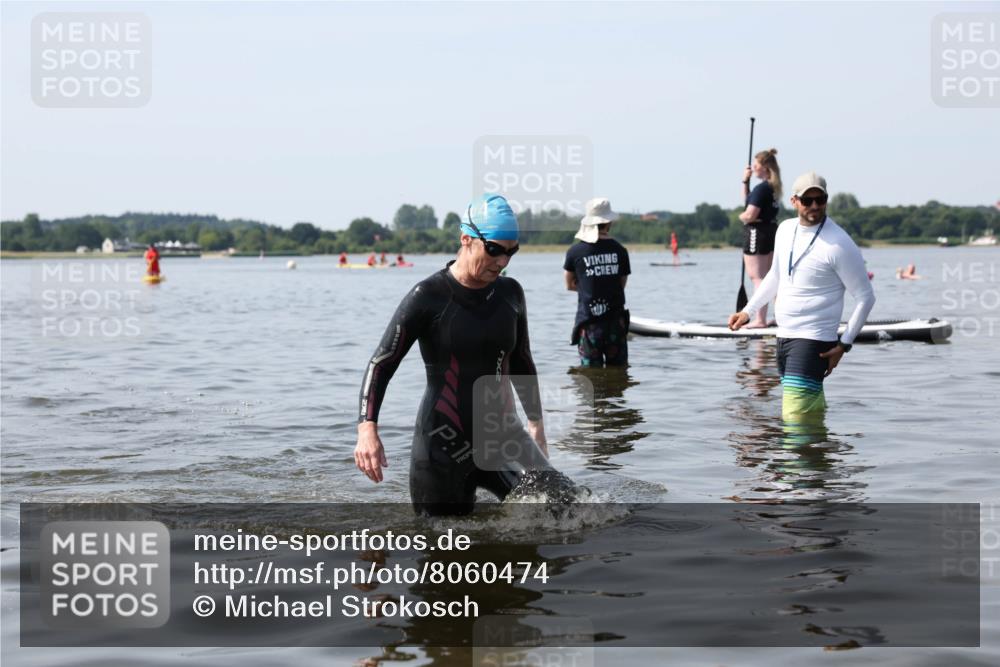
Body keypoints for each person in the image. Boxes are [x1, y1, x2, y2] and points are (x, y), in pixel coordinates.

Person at [355, 194, 559, 516]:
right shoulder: (429, 296)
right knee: (445, 548)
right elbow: (382, 362)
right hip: (442, 446)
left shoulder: (511, 294)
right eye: (494, 250)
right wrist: (367, 429)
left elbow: (521, 359)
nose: (503, 261)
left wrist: (536, 424)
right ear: (466, 238)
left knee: (567, 507)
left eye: (511, 252)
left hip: (504, 436)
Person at [728, 172, 876, 419]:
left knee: (795, 424)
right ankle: (821, 453)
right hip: (784, 337)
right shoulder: (785, 230)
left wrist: (844, 345)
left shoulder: (839, 243)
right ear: (794, 201)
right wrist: (747, 312)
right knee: (808, 416)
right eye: (808, 201)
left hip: (812, 340)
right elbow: (775, 277)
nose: (815, 206)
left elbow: (866, 297)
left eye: (821, 199)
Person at [563, 198, 631, 367]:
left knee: (589, 375)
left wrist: (589, 288)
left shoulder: (575, 251)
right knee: (619, 371)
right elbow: (621, 284)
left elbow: (569, 284)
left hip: (589, 323)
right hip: (616, 322)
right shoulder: (620, 250)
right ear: (608, 223)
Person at [739, 148, 783, 328]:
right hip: (771, 230)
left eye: (755, 165)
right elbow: (749, 200)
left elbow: (750, 213)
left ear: (764, 167)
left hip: (757, 232)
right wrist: (745, 181)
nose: (753, 168)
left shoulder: (761, 188)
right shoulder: (772, 187)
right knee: (772, 277)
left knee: (757, 277)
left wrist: (741, 217)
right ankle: (781, 318)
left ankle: (760, 320)